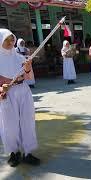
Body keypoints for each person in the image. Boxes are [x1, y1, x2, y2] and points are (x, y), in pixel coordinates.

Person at [0, 29, 40, 167]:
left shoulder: (20, 58)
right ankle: (13, 152)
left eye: (12, 39)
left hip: (23, 91)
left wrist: (28, 68)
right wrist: (2, 87)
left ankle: (28, 152)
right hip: (7, 96)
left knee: (27, 121)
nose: (11, 42)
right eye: (7, 40)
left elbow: (29, 77)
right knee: (10, 125)